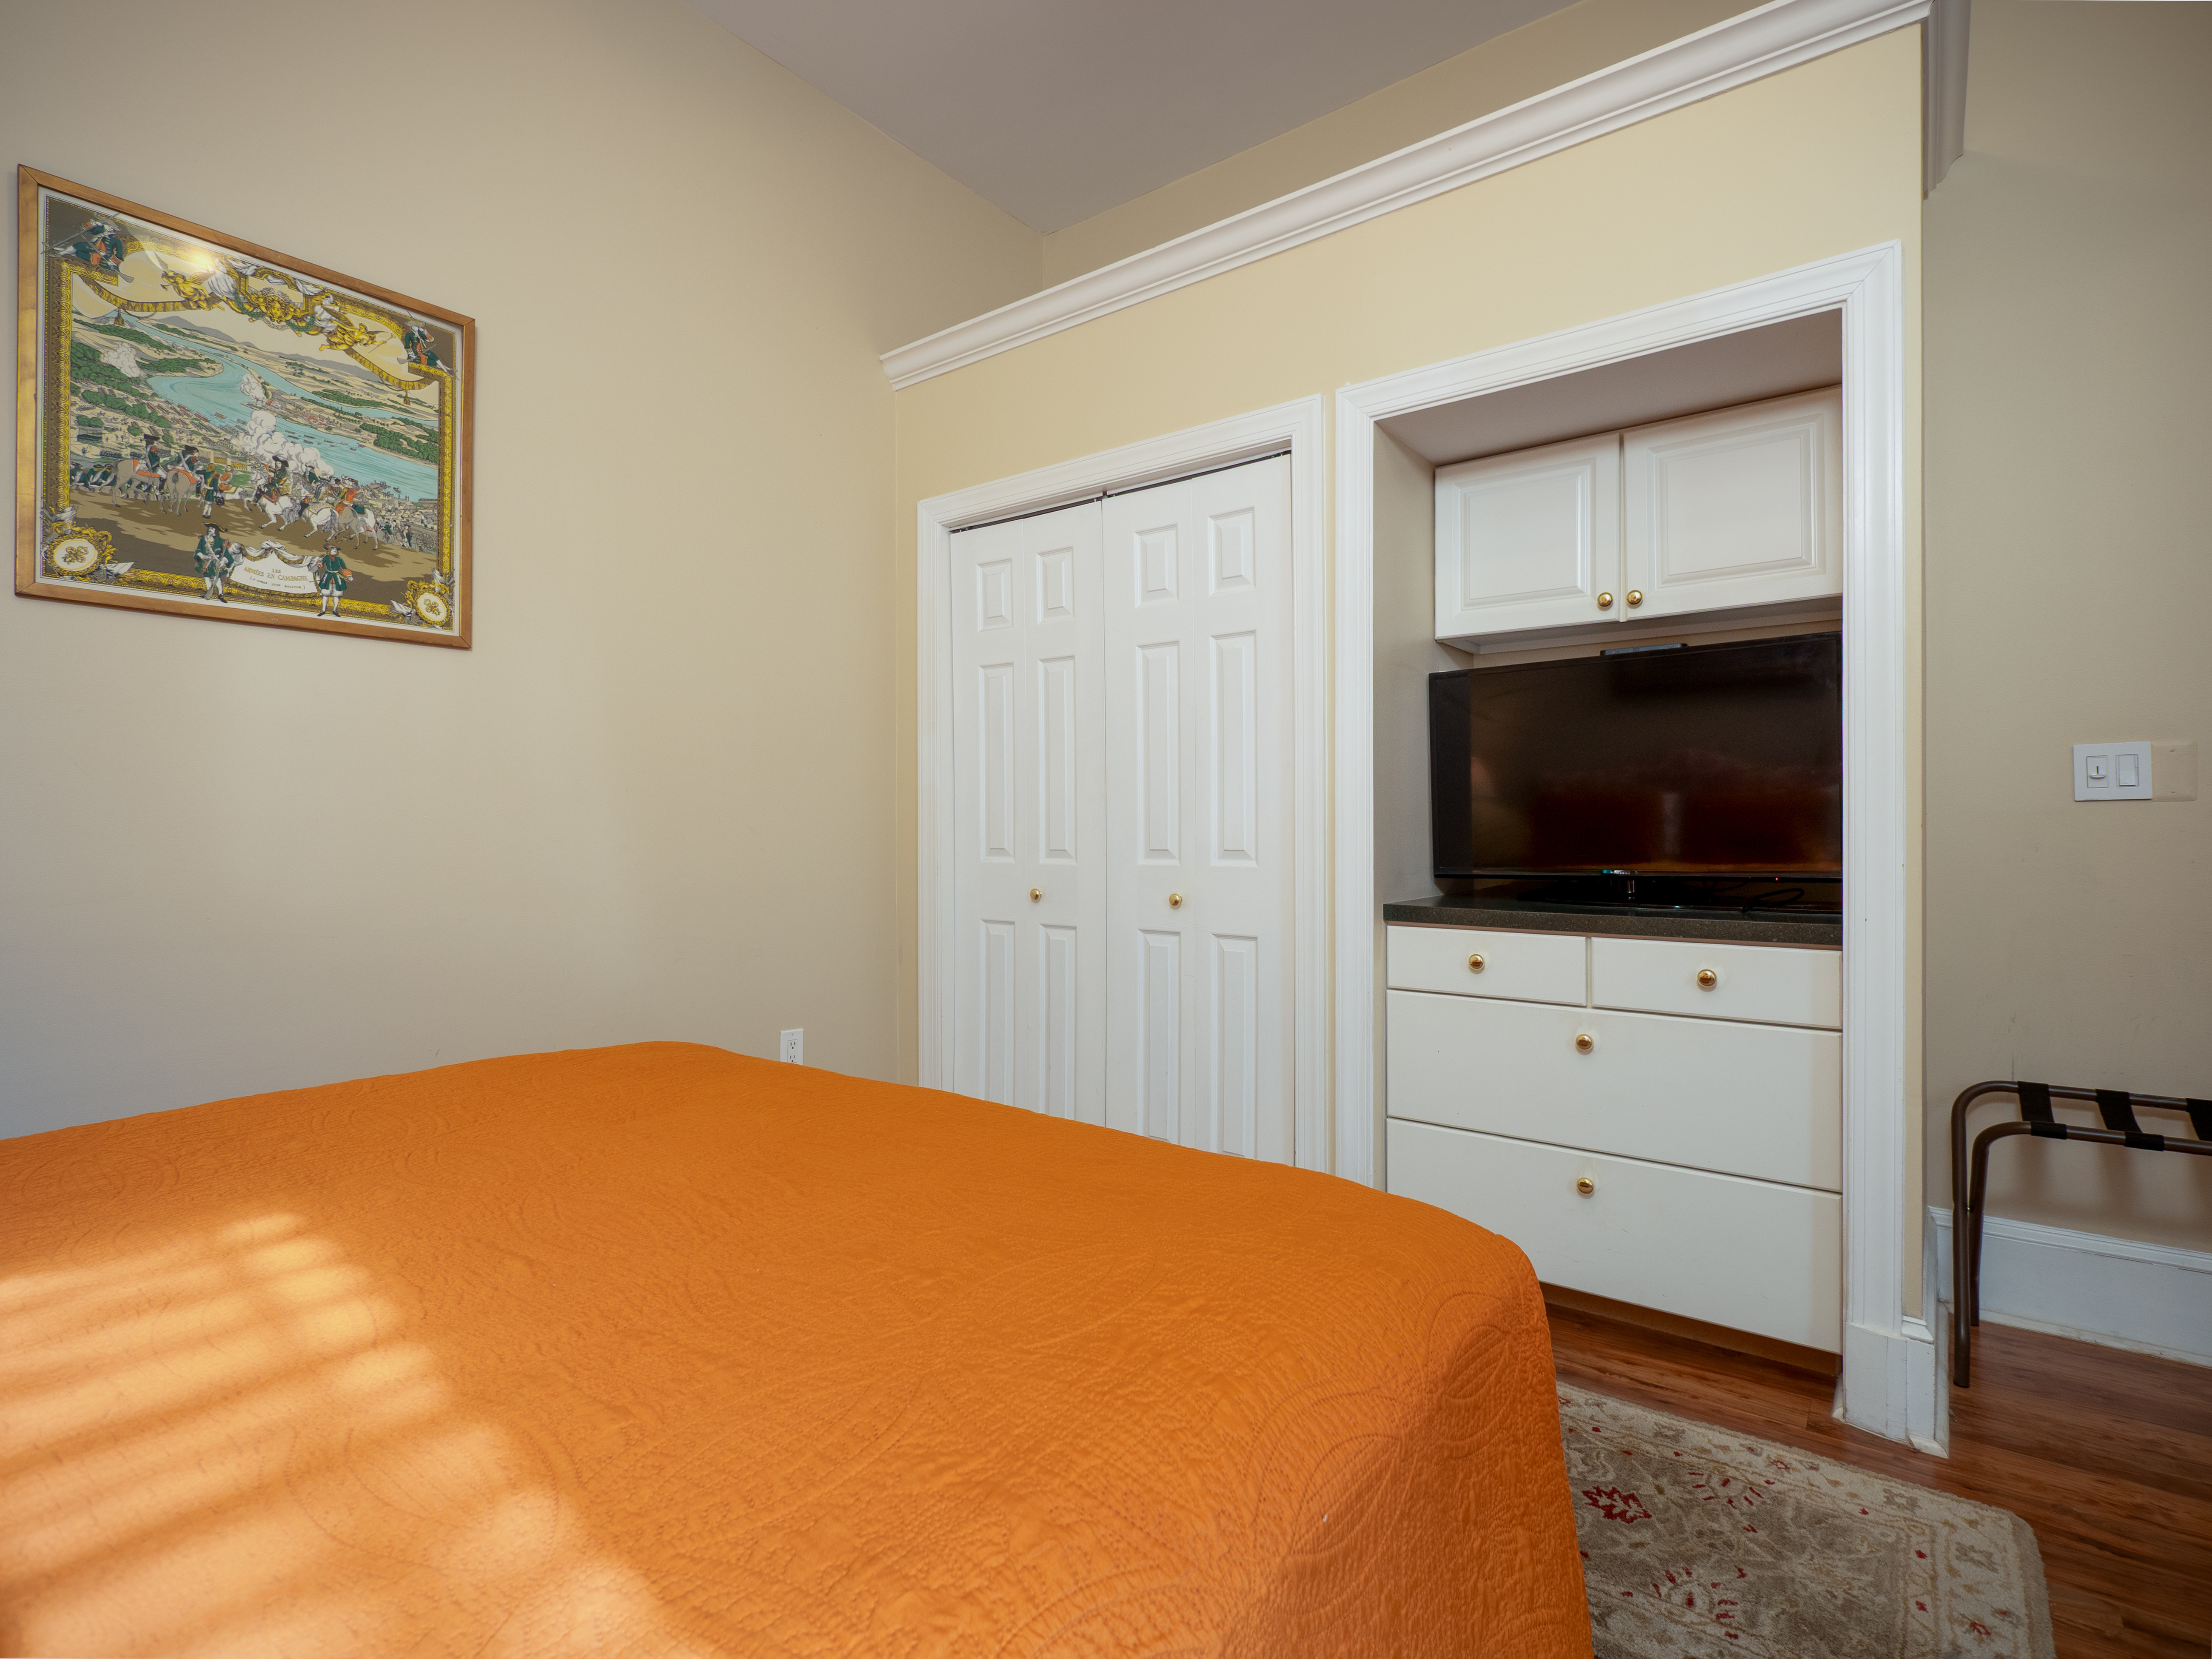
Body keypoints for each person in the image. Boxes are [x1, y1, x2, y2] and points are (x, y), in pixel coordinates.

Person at [192, 524, 236, 603]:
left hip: (215, 562)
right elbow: (199, 549)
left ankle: (220, 594)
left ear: (216, 531)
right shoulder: (204, 539)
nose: (210, 530)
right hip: (206, 562)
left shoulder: (220, 541)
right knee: (207, 577)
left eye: (212, 529)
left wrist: (223, 560)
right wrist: (201, 555)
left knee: (217, 578)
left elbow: (225, 553)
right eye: (209, 528)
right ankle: (209, 592)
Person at [315, 547, 350, 618]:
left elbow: (344, 568)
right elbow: (320, 566)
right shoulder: (326, 558)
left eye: (336, 550)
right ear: (329, 551)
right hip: (328, 577)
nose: (335, 551)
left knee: (337, 595)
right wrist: (320, 561)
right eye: (333, 550)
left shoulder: (339, 559)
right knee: (325, 594)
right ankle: (323, 610)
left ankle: (335, 610)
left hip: (337, 577)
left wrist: (349, 576)